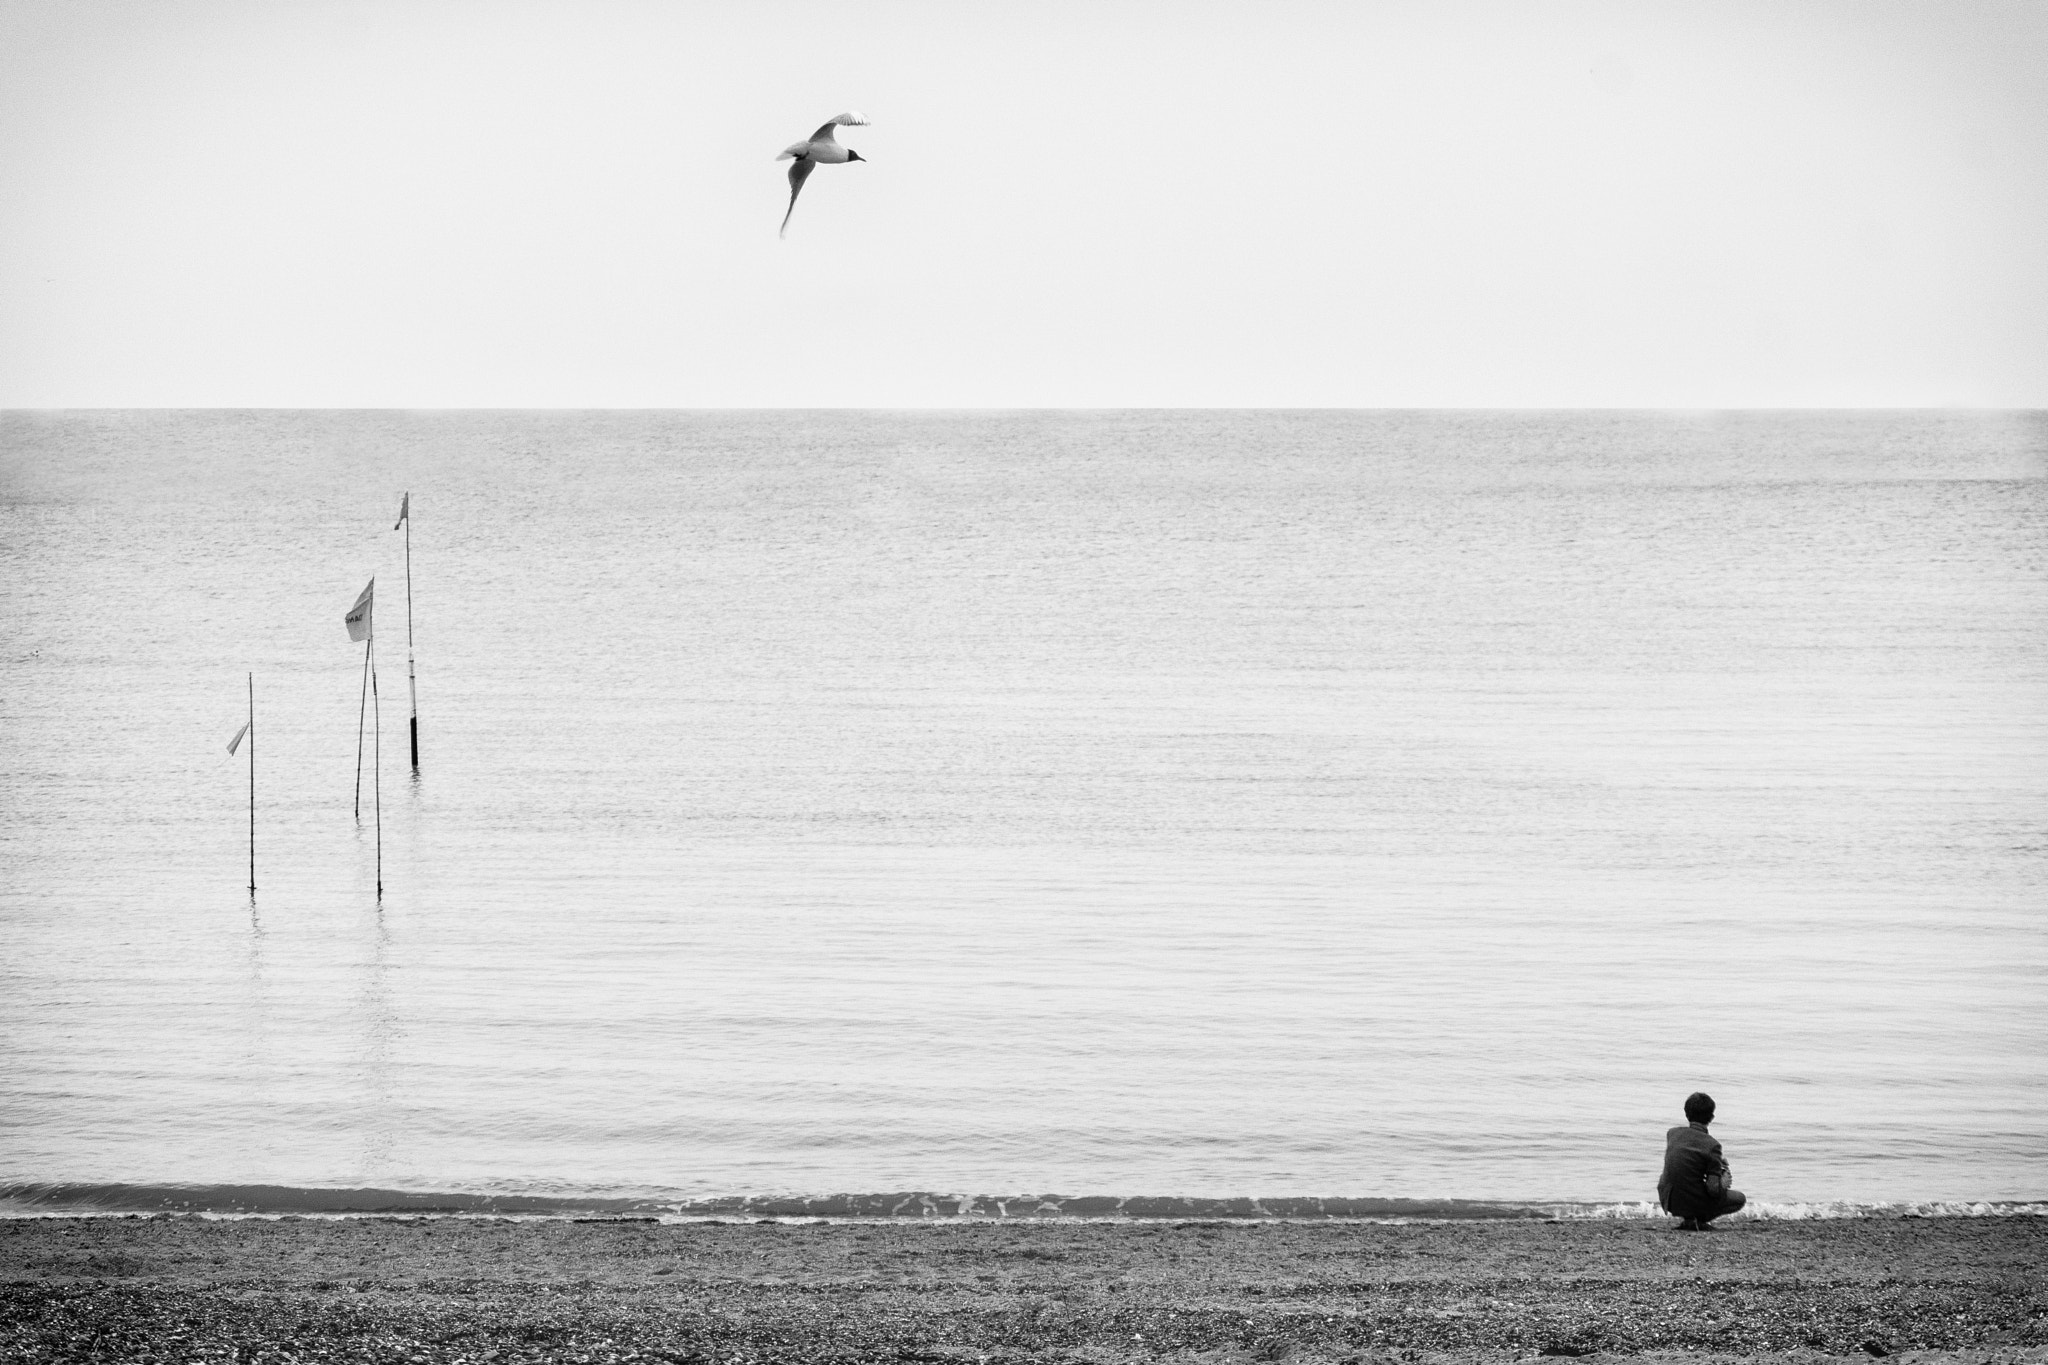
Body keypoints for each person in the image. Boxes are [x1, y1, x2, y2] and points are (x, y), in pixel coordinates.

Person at [1658, 1092, 1745, 1229]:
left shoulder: (1672, 1134)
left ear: (1686, 1114)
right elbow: (1713, 1190)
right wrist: (1723, 1181)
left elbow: (1687, 1162)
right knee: (1739, 1199)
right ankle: (1697, 1220)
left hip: (1669, 1200)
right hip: (1691, 1202)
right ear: (1711, 1117)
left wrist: (1714, 1164)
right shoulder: (1712, 1146)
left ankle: (1689, 1218)